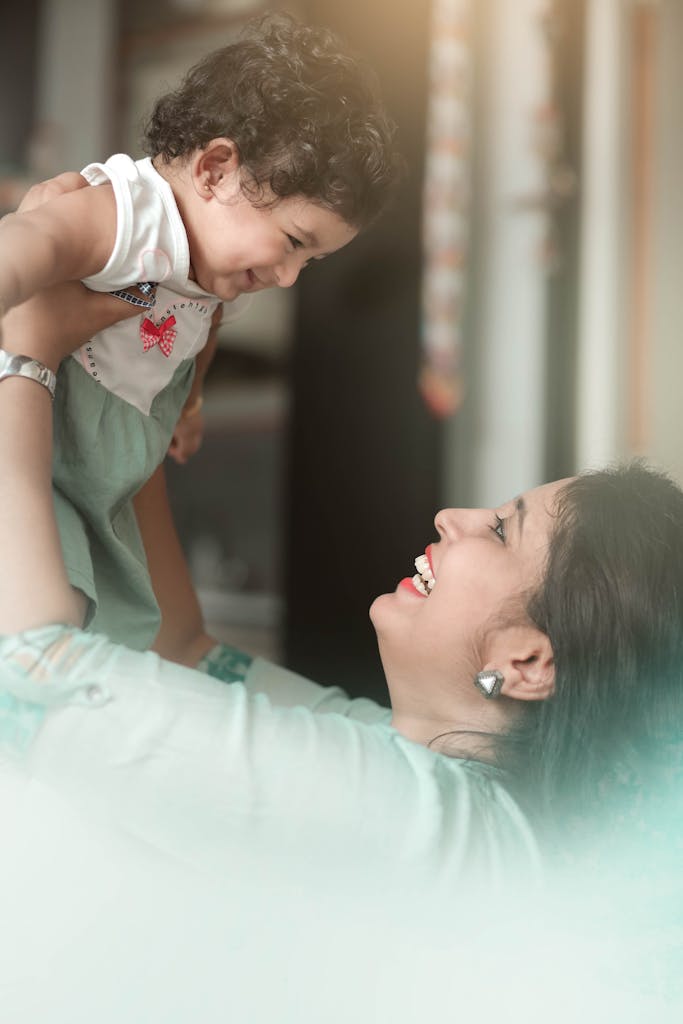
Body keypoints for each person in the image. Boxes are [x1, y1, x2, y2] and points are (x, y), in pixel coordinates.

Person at [1, 329, 681, 1020]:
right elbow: (184, 650)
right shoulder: (426, 769)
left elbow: (26, 670)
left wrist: (26, 350)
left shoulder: (429, 828)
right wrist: (149, 387)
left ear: (527, 663)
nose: (453, 519)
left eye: (503, 530)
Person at [0, 12, 400, 660]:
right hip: (49, 449)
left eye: (311, 262)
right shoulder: (129, 215)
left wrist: (189, 401)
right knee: (53, 628)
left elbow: (202, 325)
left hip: (111, 464)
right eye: (292, 242)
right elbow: (32, 240)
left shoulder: (208, 264)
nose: (288, 277)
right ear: (215, 170)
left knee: (127, 625)